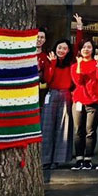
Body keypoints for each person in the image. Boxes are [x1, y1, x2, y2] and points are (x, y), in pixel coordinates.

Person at [70, 37, 98, 170]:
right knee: (78, 130)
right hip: (79, 101)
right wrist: (79, 64)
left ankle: (88, 159)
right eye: (84, 47)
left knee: (90, 131)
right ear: (80, 50)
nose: (86, 49)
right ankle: (79, 159)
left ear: (93, 49)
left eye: (89, 47)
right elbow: (78, 82)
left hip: (94, 101)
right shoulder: (74, 66)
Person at [41, 38, 74, 169]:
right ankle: (45, 159)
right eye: (59, 47)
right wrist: (53, 64)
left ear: (68, 50)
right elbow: (47, 79)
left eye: (64, 48)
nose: (61, 50)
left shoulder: (71, 63)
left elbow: (78, 46)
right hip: (52, 93)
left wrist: (79, 28)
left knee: (63, 127)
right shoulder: (50, 61)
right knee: (47, 127)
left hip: (65, 94)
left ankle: (58, 159)